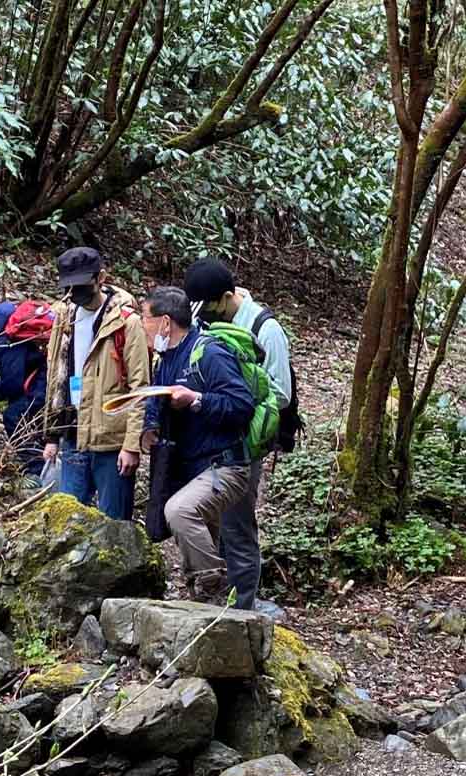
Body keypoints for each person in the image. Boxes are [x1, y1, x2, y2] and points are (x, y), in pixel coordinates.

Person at [183, 257, 291, 610]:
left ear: (228, 296)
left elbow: (281, 393)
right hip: (208, 437)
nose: (204, 314)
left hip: (244, 443)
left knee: (237, 523)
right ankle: (214, 593)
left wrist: (237, 395)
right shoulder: (206, 319)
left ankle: (244, 604)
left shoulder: (265, 329)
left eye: (210, 306)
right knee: (208, 518)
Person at [141, 286, 254, 602]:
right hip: (192, 467)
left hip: (226, 465)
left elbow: (242, 405)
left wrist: (197, 400)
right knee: (201, 533)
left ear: (165, 323)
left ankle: (214, 585)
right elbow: (158, 398)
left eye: (144, 318)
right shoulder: (165, 360)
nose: (140, 325)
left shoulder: (210, 353)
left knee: (179, 512)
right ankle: (209, 610)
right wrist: (150, 427)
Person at [42, 247, 150, 520]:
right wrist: (52, 436)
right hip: (73, 433)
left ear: (101, 277)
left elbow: (140, 387)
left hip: (111, 440)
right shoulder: (64, 318)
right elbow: (56, 378)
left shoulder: (126, 323)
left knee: (115, 523)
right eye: (68, 287)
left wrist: (131, 445)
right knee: (67, 522)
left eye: (80, 285)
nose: (74, 293)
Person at [0, 300, 50, 484]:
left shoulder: (2, 340)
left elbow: (13, 382)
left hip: (43, 381)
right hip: (46, 374)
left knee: (14, 416)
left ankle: (37, 471)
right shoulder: (8, 318)